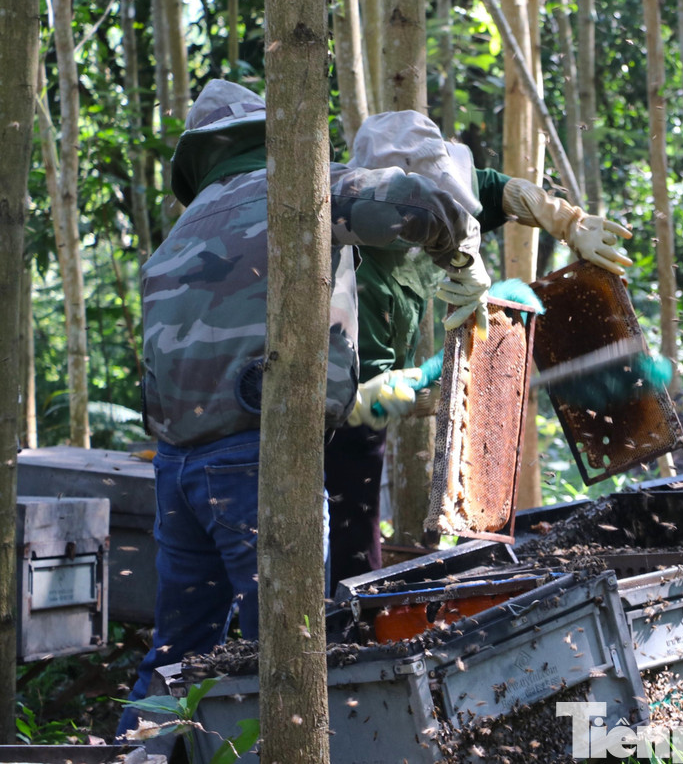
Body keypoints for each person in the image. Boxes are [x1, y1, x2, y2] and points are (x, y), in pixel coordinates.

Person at [119, 82, 482, 734]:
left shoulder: (177, 235)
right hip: (257, 459)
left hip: (175, 467)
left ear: (200, 158)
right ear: (270, 135)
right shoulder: (298, 187)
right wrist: (460, 252)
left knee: (179, 654)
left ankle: (137, 748)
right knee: (293, 658)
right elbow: (414, 204)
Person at [325, 111, 635, 588]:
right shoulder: (357, 271)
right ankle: (344, 613)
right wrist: (444, 393)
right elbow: (361, 399)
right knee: (352, 511)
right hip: (337, 394)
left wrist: (566, 221)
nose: (439, 213)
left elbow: (494, 190)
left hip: (383, 368)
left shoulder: (443, 202)